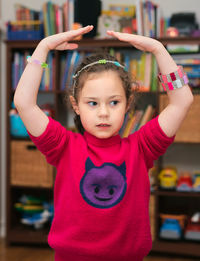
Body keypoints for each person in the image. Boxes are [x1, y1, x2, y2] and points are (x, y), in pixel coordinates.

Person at [14, 25, 193, 261]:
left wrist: (159, 50)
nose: (104, 113)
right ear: (75, 105)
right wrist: (42, 48)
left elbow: (182, 100)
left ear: (128, 104)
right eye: (93, 103)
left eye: (114, 102)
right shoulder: (63, 146)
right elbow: (24, 102)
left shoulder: (141, 147)